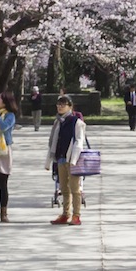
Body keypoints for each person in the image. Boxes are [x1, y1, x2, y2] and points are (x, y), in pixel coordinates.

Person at [49, 96, 88, 225]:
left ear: (70, 106)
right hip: (60, 158)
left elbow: (79, 141)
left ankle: (76, 215)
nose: (60, 107)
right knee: (64, 188)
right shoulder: (58, 121)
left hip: (72, 159)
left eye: (63, 104)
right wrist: (50, 158)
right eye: (58, 104)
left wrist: (74, 159)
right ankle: (66, 214)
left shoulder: (76, 121)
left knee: (75, 189)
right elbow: (53, 141)